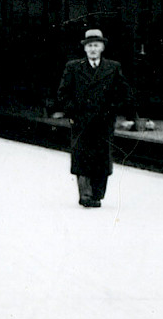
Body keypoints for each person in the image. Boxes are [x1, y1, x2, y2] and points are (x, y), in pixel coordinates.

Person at [55, 28, 132, 208]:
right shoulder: (73, 67)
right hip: (81, 121)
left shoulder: (113, 68)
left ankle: (97, 194)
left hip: (104, 122)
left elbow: (124, 93)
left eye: (96, 45)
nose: (93, 49)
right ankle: (85, 195)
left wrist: (112, 110)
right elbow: (63, 94)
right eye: (89, 46)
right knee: (82, 158)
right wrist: (74, 113)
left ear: (102, 48)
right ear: (84, 48)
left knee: (101, 158)